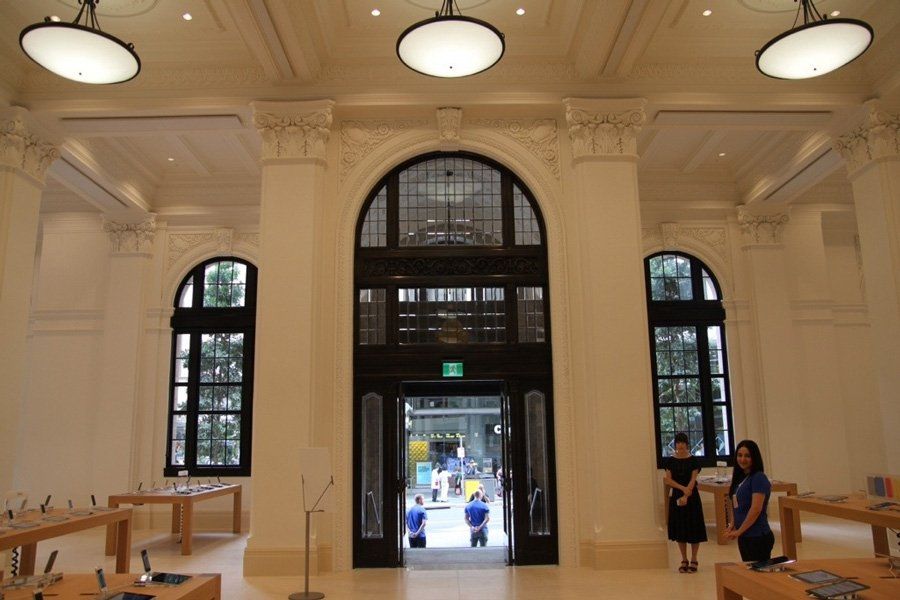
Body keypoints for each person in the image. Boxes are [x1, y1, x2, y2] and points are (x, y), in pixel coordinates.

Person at [663, 432, 707, 573]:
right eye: (678, 442)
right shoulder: (670, 461)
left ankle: (694, 559)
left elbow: (693, 478)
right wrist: (683, 489)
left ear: (687, 444)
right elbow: (668, 480)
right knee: (680, 528)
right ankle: (684, 558)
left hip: (692, 496)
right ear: (675, 444)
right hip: (677, 495)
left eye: (683, 442)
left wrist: (688, 491)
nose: (680, 445)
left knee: (694, 527)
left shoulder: (693, 460)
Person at [725, 439, 774, 562]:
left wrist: (739, 531)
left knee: (759, 575)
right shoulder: (741, 478)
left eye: (747, 456)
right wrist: (732, 524)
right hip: (745, 536)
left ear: (754, 458)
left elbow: (756, 509)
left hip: (758, 536)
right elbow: (736, 504)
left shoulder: (758, 478)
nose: (742, 459)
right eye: (740, 455)